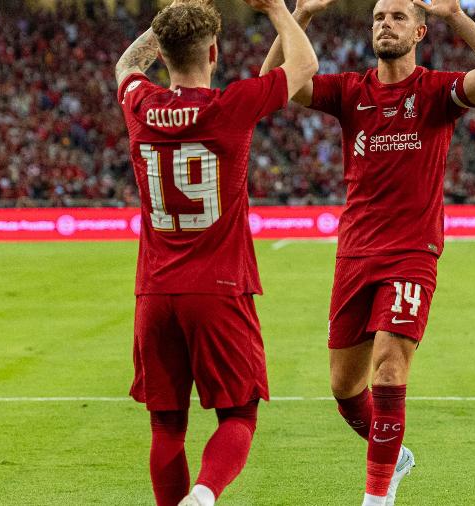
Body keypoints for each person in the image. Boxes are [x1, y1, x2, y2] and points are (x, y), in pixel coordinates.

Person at [261, 0, 475, 504]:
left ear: (419, 30)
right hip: (355, 251)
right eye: (379, 17)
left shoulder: (436, 91)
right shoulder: (350, 90)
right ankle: (395, 454)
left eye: (398, 17)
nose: (386, 24)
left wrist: (457, 17)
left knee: (389, 368)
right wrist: (301, 16)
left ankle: (376, 497)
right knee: (343, 387)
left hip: (411, 253)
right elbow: (271, 85)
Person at [114, 0, 317, 504]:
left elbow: (125, 66)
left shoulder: (140, 103)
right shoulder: (232, 106)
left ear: (161, 54)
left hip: (155, 292)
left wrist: (167, 24)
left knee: (166, 428)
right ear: (214, 51)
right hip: (219, 288)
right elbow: (305, 65)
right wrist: (277, 10)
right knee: (240, 415)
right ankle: (203, 497)